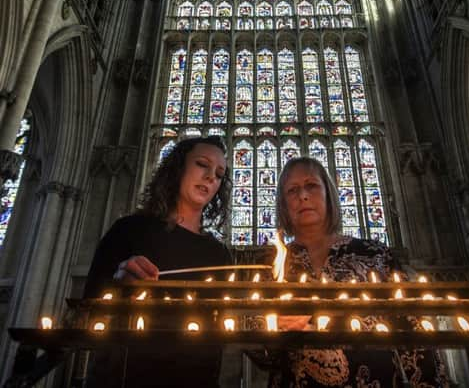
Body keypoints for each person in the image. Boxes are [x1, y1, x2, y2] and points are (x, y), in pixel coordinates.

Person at [265, 156, 448, 388]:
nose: (303, 195)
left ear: (328, 194)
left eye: (311, 185)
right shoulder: (272, 265)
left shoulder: (375, 255)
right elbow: (255, 344)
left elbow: (415, 332)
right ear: (283, 203)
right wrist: (274, 327)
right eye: (292, 190)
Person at [83, 136, 232, 388]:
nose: (210, 177)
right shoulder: (128, 231)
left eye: (219, 174)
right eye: (202, 164)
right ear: (177, 168)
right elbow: (88, 309)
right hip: (124, 377)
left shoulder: (219, 254)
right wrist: (118, 285)